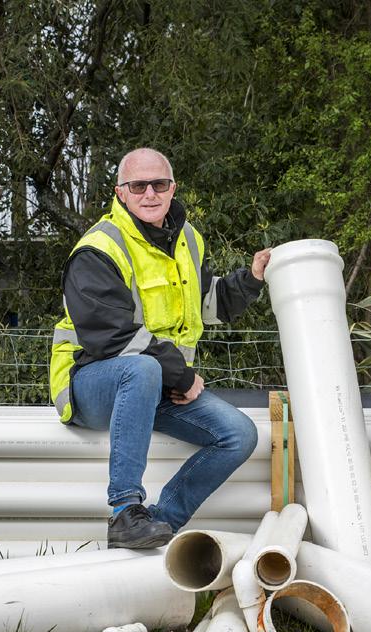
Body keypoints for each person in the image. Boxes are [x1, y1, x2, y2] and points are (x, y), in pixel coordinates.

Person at [49, 147, 271, 549]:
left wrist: (252, 278)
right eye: (138, 186)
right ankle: (124, 511)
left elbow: (207, 303)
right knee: (142, 368)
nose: (149, 193)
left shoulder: (188, 239)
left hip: (158, 385)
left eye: (159, 184)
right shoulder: (99, 248)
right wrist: (181, 376)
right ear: (120, 192)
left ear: (173, 189)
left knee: (239, 434)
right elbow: (111, 336)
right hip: (90, 382)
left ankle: (157, 524)